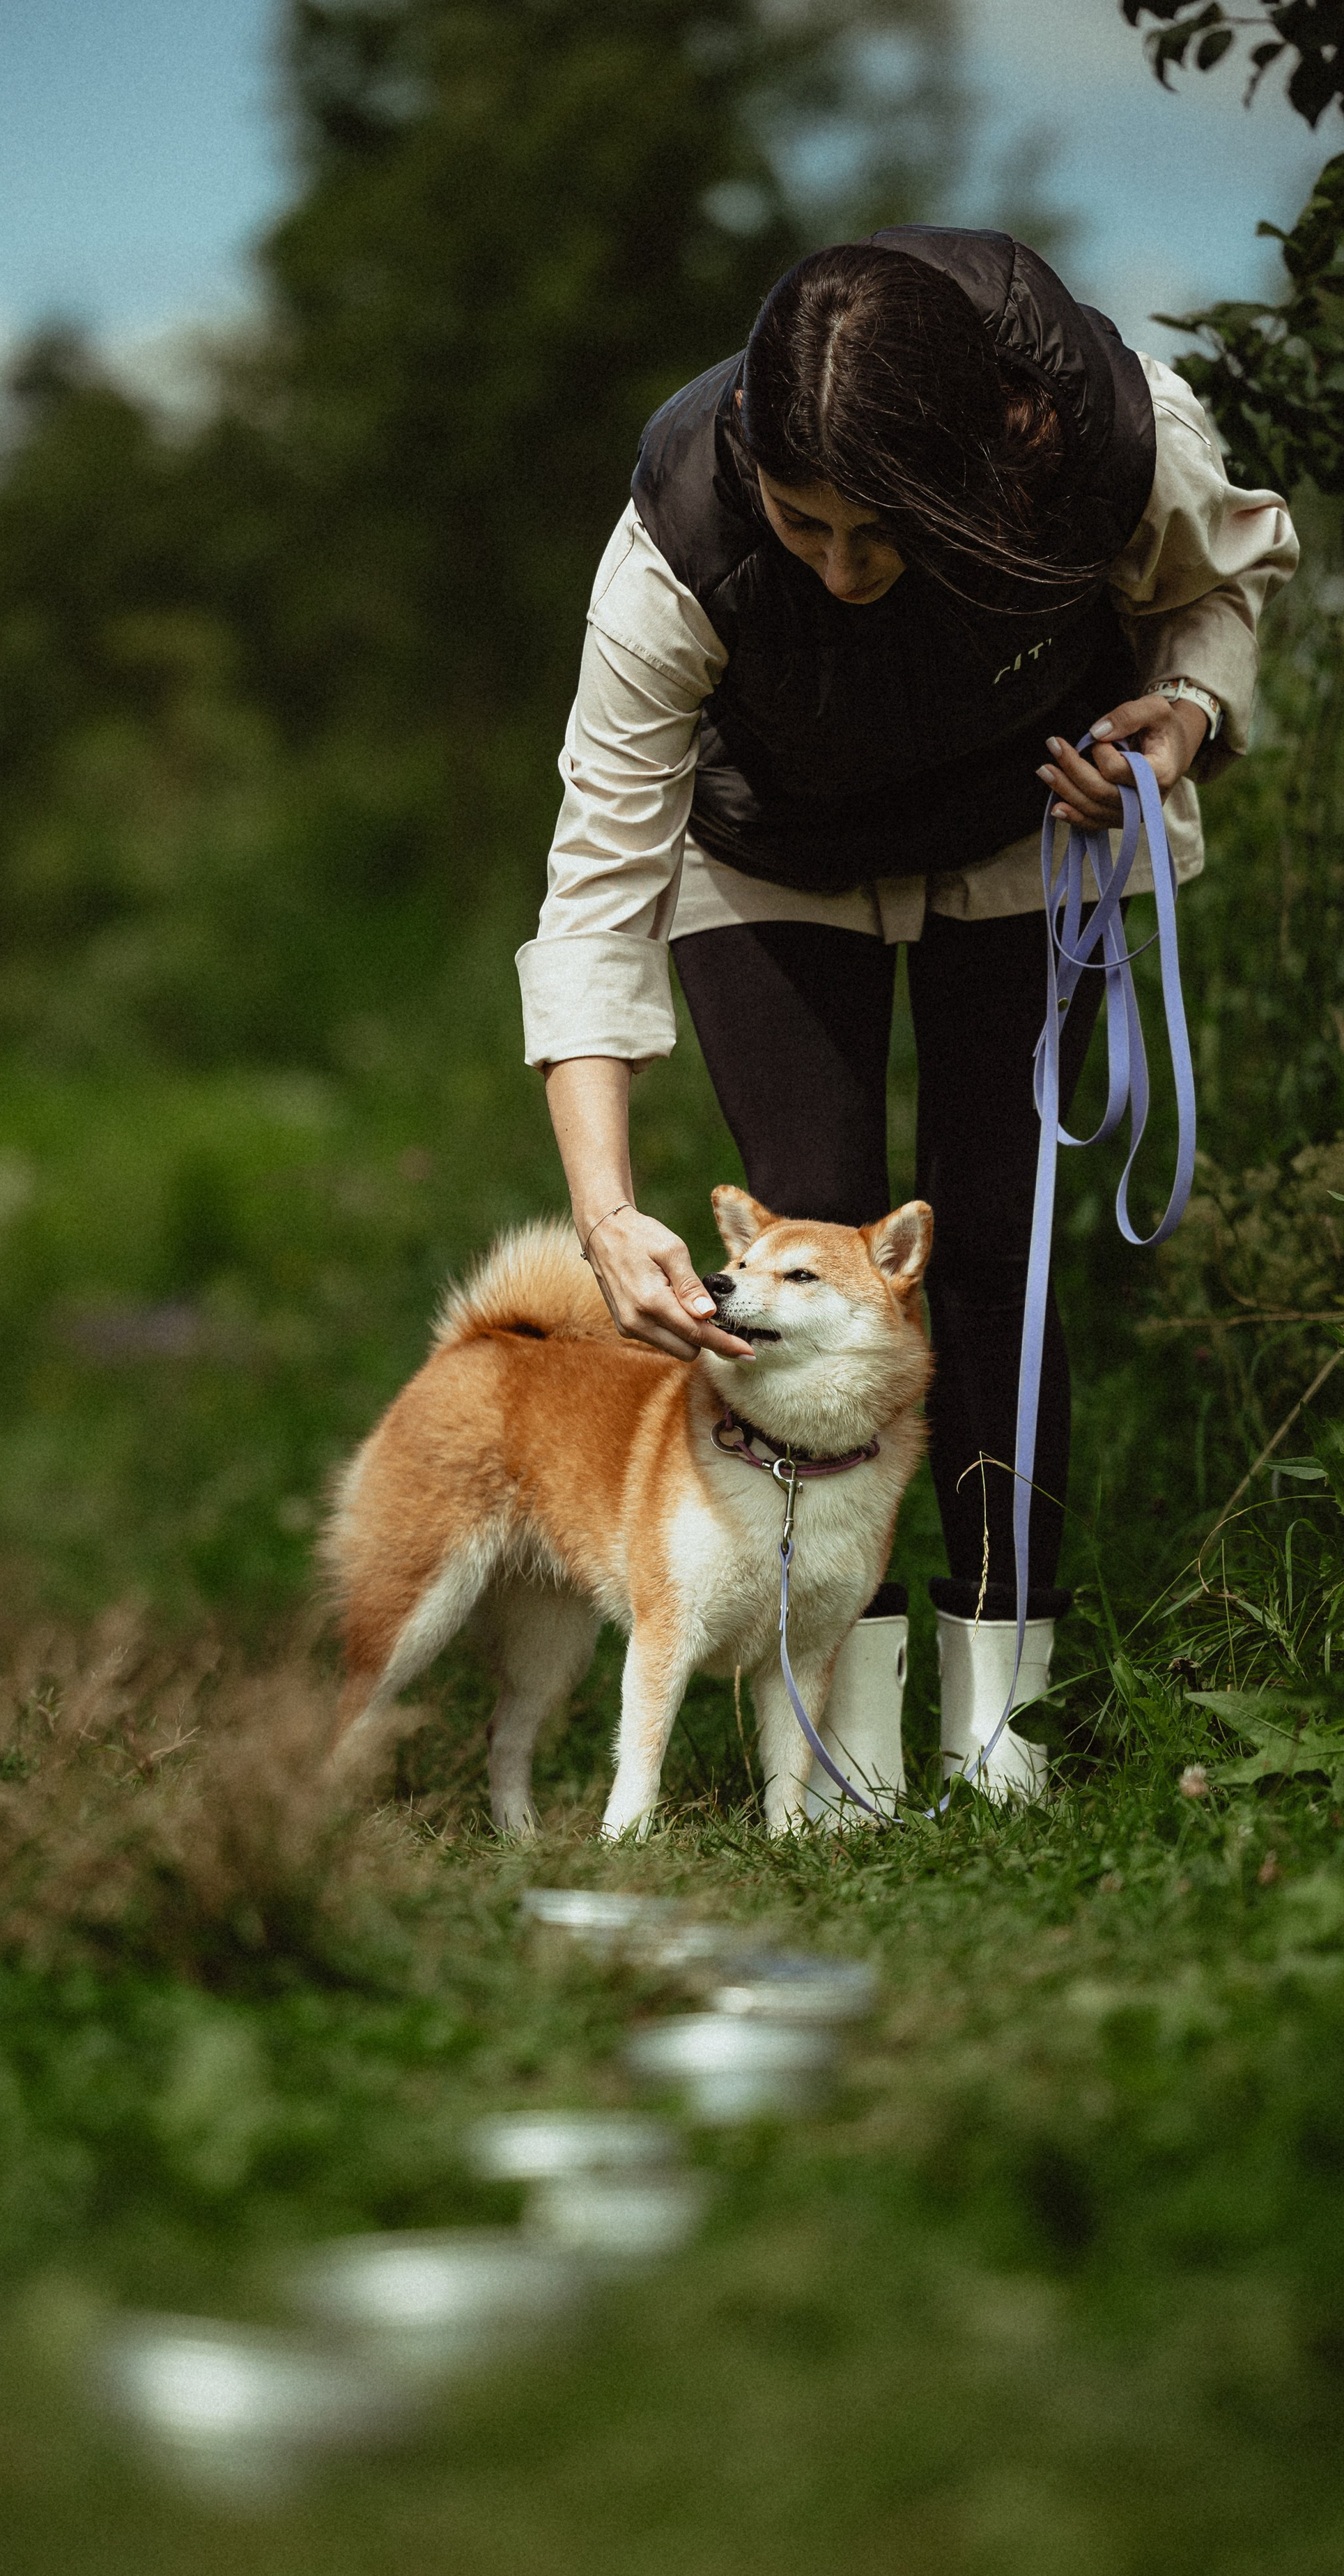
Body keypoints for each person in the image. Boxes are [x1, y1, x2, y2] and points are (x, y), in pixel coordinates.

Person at [516, 228, 1298, 1802]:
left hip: (1023, 828)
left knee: (993, 1236)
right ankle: (843, 1736)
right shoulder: (672, 543)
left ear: (986, 454)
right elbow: (595, 884)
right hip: (769, 854)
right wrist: (603, 1210)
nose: (842, 570)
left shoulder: (1111, 437)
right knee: (813, 1222)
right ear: (752, 468)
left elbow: (1217, 582)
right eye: (805, 526)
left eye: (887, 535)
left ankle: (999, 1715)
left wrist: (1188, 719)